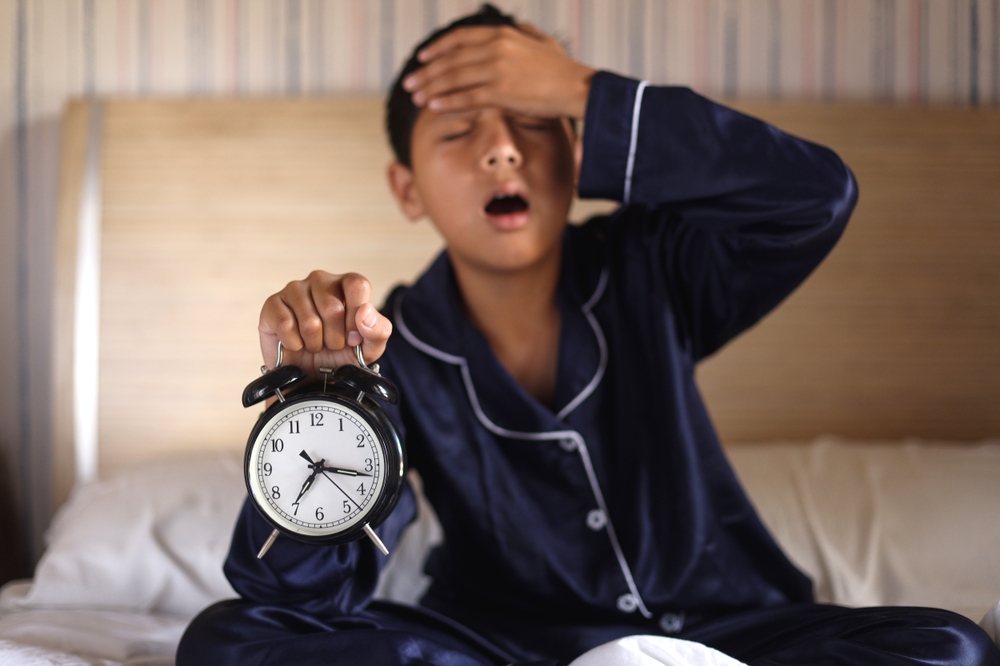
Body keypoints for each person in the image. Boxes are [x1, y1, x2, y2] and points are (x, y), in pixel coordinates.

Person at [178, 5, 1000, 666]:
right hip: (502, 646)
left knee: (952, 648)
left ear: (580, 150)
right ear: (407, 188)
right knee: (229, 640)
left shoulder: (658, 264)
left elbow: (813, 197)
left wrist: (583, 88)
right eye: (459, 132)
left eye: (536, 120)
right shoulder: (389, 346)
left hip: (729, 632)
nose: (502, 151)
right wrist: (323, 404)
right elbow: (296, 600)